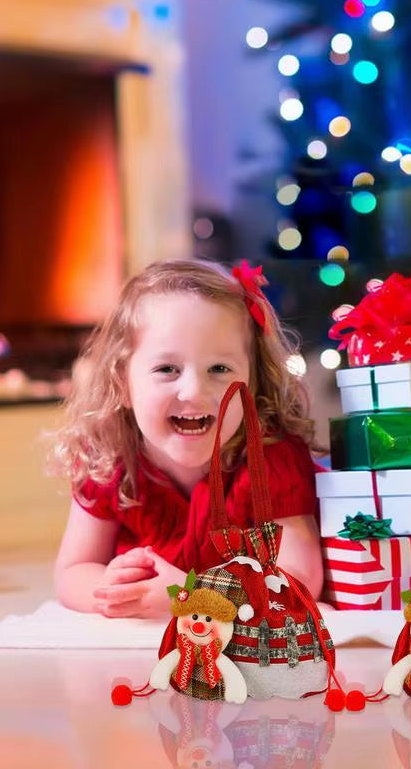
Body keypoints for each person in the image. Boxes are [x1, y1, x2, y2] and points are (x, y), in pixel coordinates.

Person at [51, 259, 324, 618]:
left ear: (253, 383)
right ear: (123, 384)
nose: (194, 391)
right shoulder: (110, 458)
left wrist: (192, 596)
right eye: (167, 369)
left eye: (219, 369)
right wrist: (109, 590)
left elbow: (299, 581)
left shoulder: (271, 458)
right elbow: (74, 570)